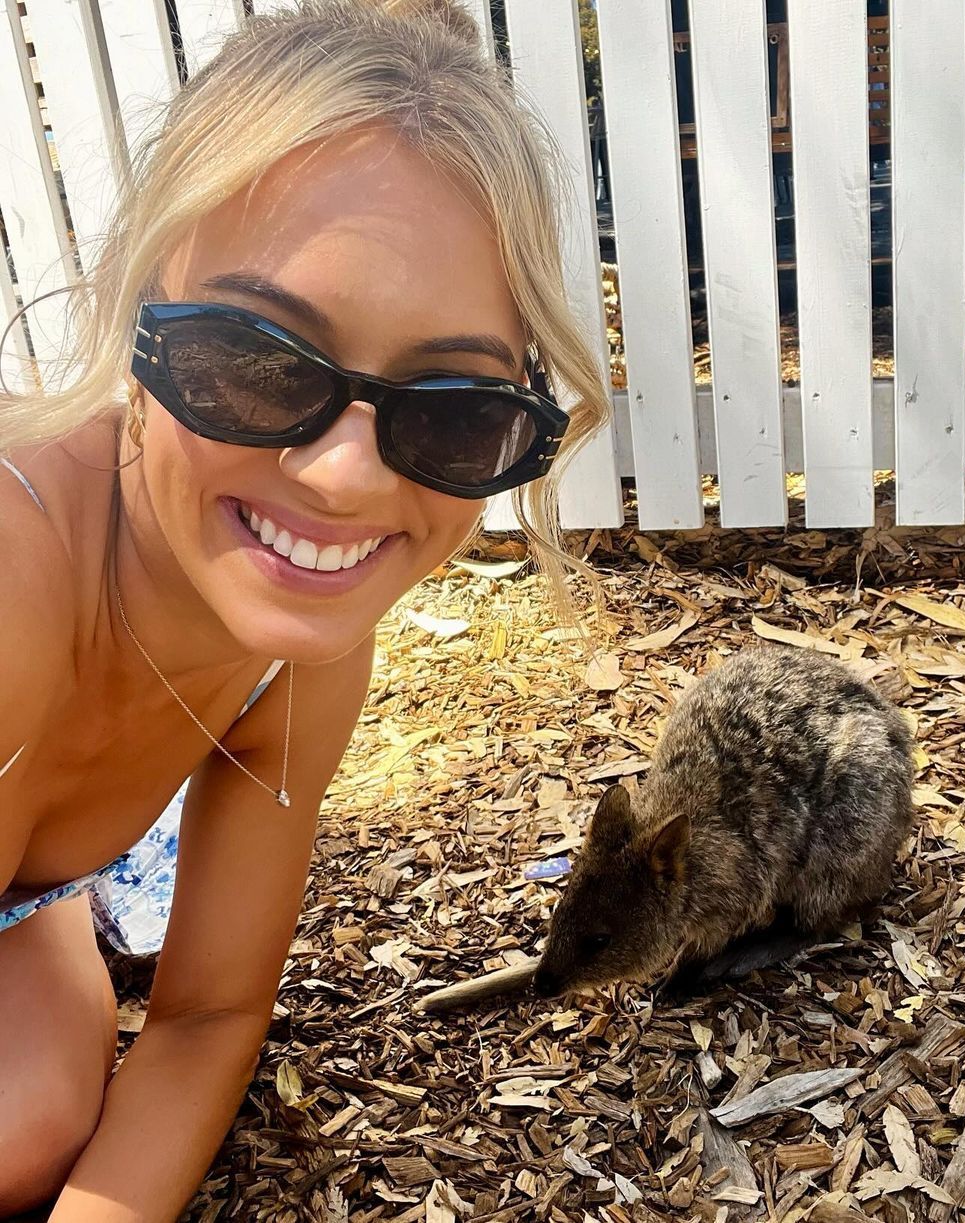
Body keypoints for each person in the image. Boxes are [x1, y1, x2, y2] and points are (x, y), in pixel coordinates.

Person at [0, 1, 608, 1215]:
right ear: (135, 311)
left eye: (452, 409)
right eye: (257, 364)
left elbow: (211, 1013)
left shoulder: (301, 650)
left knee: (36, 1122)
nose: (344, 478)